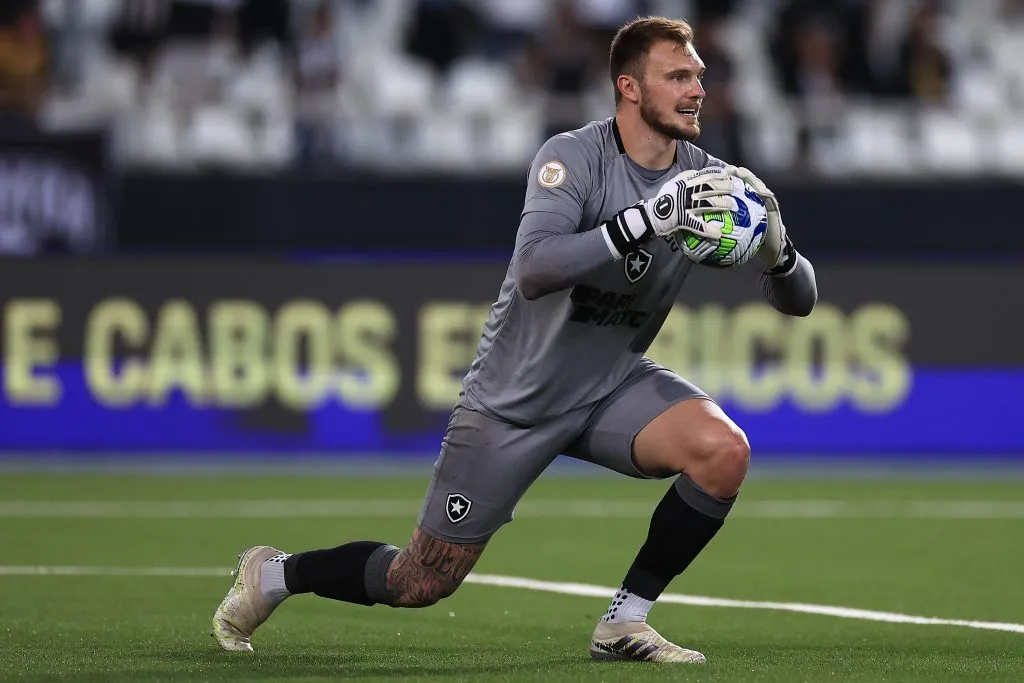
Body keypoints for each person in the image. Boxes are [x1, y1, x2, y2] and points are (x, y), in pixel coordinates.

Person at [211, 15, 817, 664]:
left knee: (723, 451)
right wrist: (645, 220)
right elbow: (534, 269)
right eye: (677, 76)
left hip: (610, 384)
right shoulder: (573, 157)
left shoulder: (712, 182)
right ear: (629, 87)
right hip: (513, 401)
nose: (697, 89)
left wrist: (779, 251)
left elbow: (800, 301)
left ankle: (624, 622)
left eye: (697, 75)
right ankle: (274, 574)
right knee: (419, 580)